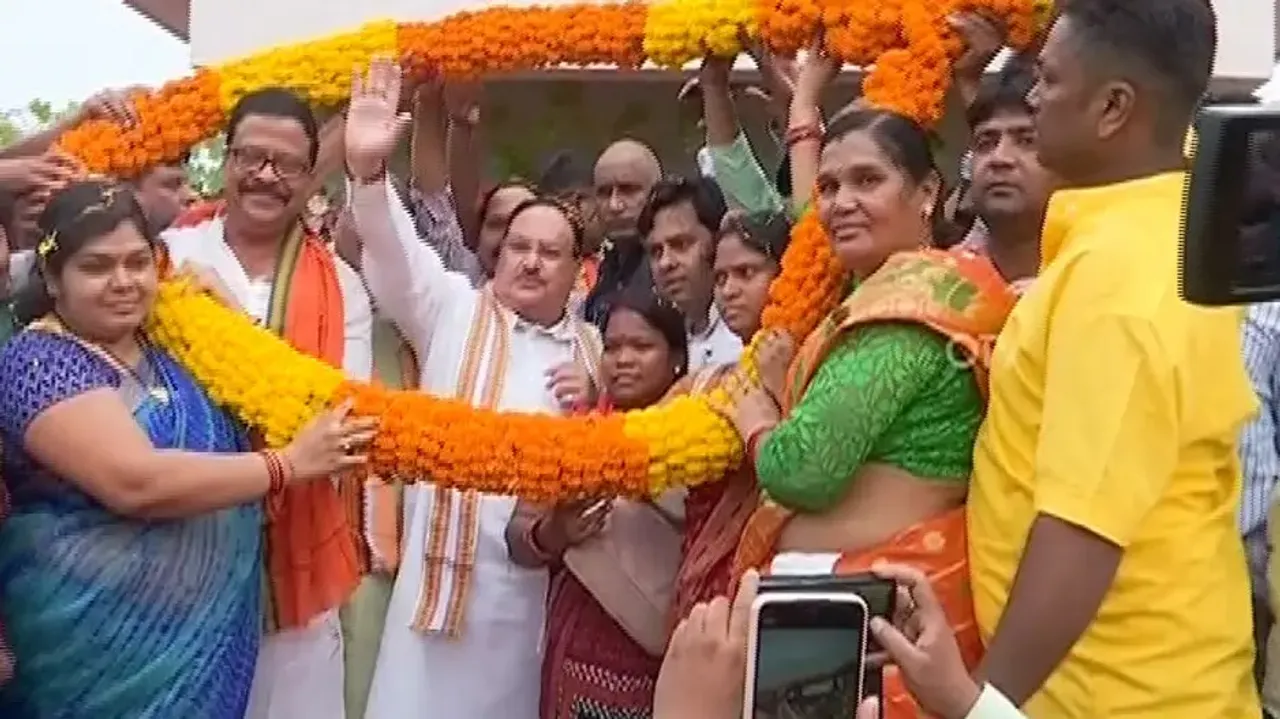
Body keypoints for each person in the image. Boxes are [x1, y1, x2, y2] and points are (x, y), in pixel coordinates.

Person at [967, 1, 1262, 716]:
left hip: (1127, 698)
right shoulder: (1151, 236)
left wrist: (986, 706)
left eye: (1049, 79)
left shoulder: (1122, 277)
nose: (1033, 96)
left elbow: (1082, 528)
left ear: (1112, 108)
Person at [0, 179, 374, 717]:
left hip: (203, 650)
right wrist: (286, 467)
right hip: (87, 661)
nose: (123, 282)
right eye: (97, 267)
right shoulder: (36, 359)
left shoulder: (172, 345)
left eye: (137, 262)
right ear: (54, 280)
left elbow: (263, 407)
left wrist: (226, 316)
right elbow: (135, 483)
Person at [729, 76, 1018, 719]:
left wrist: (758, 420)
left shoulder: (903, 317)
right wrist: (801, 108)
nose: (839, 203)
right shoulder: (887, 294)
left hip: (874, 608)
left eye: (867, 181)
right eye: (829, 187)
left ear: (926, 194)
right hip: (863, 595)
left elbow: (801, 468)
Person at [344, 57, 601, 719]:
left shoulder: (593, 350)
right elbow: (395, 249)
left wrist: (598, 389)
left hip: (521, 613)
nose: (530, 260)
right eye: (518, 245)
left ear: (579, 272)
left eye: (549, 252)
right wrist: (369, 175)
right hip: (428, 606)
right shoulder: (451, 308)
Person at [162, 87, 374, 719]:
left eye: (286, 165)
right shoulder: (166, 259)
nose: (265, 176)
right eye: (250, 156)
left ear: (311, 178)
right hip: (171, 554)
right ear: (224, 161)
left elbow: (339, 424)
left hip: (292, 574)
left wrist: (235, 334)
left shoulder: (342, 286)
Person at [515, 285, 689, 719]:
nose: (623, 359)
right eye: (612, 347)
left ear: (677, 359)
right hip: (570, 649)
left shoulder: (698, 436)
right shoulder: (571, 435)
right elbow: (517, 537)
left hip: (651, 661)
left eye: (642, 346)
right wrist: (554, 533)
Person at [672, 208, 790, 622]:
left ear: (786, 275)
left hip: (777, 593)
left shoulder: (817, 364)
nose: (729, 291)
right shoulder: (707, 383)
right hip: (704, 590)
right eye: (720, 278)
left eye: (746, 272)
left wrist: (780, 389)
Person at [963, 67, 1051, 289]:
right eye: (985, 143)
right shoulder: (935, 284)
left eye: (1026, 141)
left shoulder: (1103, 276)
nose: (999, 158)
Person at [640, 177, 740, 370]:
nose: (665, 263)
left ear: (717, 242)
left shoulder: (748, 332)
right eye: (656, 252)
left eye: (681, 245)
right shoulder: (656, 343)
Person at [583, 139, 663, 326]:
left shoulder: (670, 272)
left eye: (628, 190)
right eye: (604, 193)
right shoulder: (607, 270)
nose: (614, 205)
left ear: (656, 193)